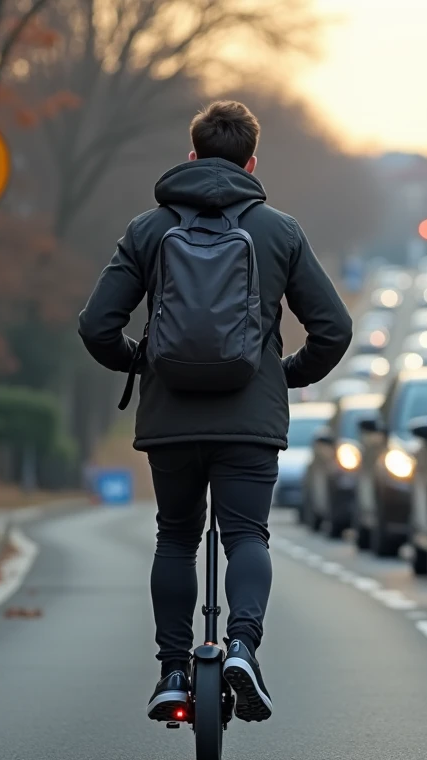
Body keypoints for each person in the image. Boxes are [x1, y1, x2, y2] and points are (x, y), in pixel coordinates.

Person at [78, 100, 353, 723]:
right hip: (249, 419)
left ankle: (174, 672)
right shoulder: (280, 231)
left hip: (170, 420)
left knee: (175, 536)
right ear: (252, 162)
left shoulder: (147, 230)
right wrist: (283, 374)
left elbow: (97, 325)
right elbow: (334, 329)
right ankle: (243, 648)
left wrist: (140, 360)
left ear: (192, 154)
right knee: (246, 535)